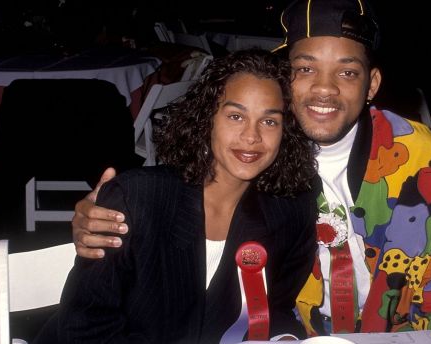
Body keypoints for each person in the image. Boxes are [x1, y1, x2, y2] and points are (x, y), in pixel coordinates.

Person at [72, 0, 431, 337]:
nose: (324, 88)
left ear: (371, 84)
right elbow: (181, 206)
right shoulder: (262, 154)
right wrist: (102, 214)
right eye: (305, 69)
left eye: (347, 72)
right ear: (285, 79)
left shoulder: (422, 161)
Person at [35, 49, 318, 343]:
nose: (252, 136)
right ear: (207, 119)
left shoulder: (289, 214)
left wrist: (283, 337)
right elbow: (84, 325)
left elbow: (276, 310)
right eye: (236, 116)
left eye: (269, 121)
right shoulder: (137, 200)